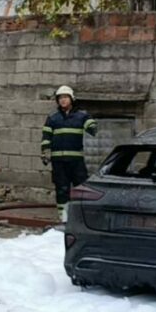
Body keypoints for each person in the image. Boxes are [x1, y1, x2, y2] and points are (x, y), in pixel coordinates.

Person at [41, 86, 97, 222]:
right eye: (60, 98)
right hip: (58, 161)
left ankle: (81, 215)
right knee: (61, 188)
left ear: (72, 99)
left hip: (76, 160)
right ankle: (63, 217)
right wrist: (45, 152)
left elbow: (93, 129)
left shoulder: (82, 116)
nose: (63, 100)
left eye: (65, 97)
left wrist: (90, 123)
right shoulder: (53, 118)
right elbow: (46, 137)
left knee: (81, 187)